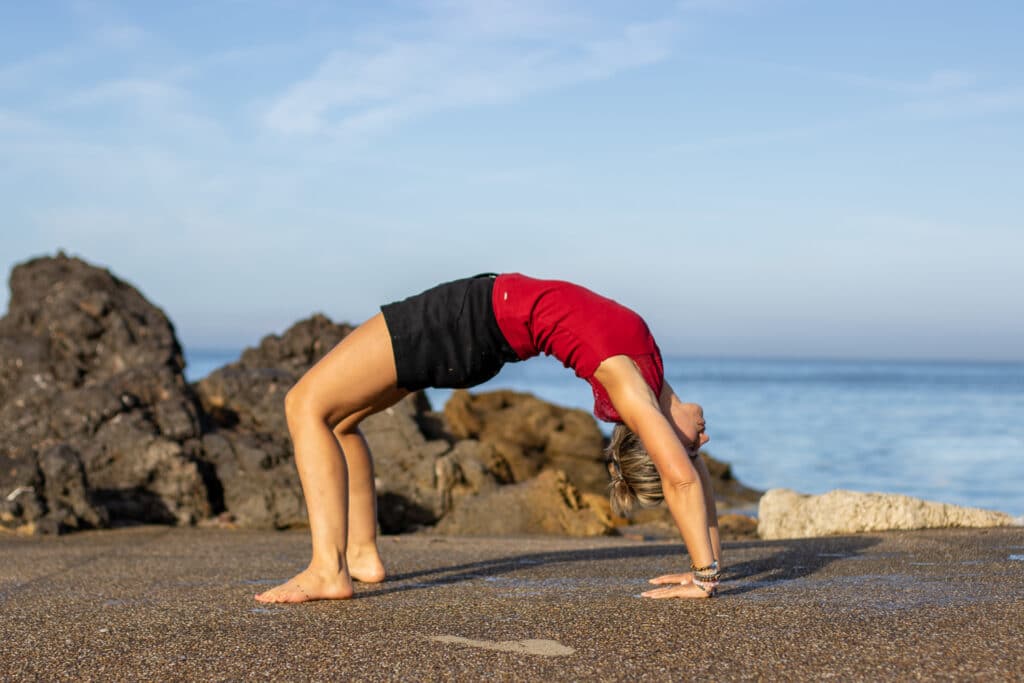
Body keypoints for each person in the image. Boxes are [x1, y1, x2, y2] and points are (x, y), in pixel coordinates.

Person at [255, 273, 721, 603]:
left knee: (304, 405)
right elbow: (693, 480)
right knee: (339, 423)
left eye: (691, 447)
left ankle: (327, 570)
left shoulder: (630, 388)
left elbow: (681, 480)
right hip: (476, 327)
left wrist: (701, 579)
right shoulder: (652, 379)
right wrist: (712, 567)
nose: (704, 439)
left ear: (658, 441)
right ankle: (359, 556)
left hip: (464, 322)